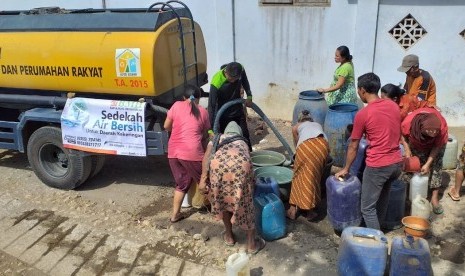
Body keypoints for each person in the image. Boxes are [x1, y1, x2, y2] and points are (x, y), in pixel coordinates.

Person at [335, 73, 403, 230]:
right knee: (380, 201)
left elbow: (353, 145)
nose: (359, 93)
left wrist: (345, 168)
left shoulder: (363, 114)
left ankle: (375, 242)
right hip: (396, 163)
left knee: (367, 208)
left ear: (363, 90)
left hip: (378, 166)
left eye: (358, 90)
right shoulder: (393, 105)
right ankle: (375, 230)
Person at [198, 121, 265, 254]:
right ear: (238, 133)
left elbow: (206, 157)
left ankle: (229, 236)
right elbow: (249, 165)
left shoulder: (217, 138)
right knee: (246, 205)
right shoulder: (243, 142)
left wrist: (203, 180)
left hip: (219, 168)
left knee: (222, 201)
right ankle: (251, 244)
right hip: (241, 168)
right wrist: (251, 186)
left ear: (226, 132)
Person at [164, 84, 210, 223]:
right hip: (192, 152)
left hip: (173, 152)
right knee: (206, 181)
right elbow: (205, 134)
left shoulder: (176, 105)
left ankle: (175, 215)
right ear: (199, 98)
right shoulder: (203, 112)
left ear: (184, 97)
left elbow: (166, 126)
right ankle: (218, 211)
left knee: (181, 184)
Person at [400, 107, 448, 214]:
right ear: (421, 127)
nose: (433, 133)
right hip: (416, 140)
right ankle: (408, 194)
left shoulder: (441, 129)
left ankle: (434, 198)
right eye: (430, 130)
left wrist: (427, 164)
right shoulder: (408, 123)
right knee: (413, 164)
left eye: (436, 130)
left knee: (436, 167)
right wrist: (407, 150)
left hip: (437, 145)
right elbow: (403, 135)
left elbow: (437, 147)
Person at [286, 110, 329, 221]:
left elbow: (297, 145)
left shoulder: (296, 127)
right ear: (311, 119)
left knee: (298, 176)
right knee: (313, 177)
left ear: (300, 119)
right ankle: (310, 212)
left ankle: (292, 209)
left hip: (306, 147)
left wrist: (297, 160)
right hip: (323, 146)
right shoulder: (317, 124)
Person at [208, 62, 253, 149]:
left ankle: (249, 156)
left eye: (236, 79)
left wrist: (249, 96)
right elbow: (211, 106)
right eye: (231, 79)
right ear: (226, 73)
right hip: (223, 113)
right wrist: (210, 129)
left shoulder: (241, 69)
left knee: (245, 136)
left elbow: (245, 82)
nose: (233, 81)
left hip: (238, 109)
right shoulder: (216, 81)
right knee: (225, 140)